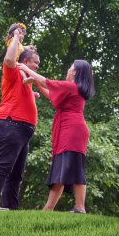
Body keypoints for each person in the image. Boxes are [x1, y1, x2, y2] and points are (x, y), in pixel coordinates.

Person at [18, 60, 95, 214]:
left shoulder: (71, 86)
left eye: (70, 67)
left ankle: (80, 207)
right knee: (59, 170)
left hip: (72, 131)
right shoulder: (72, 89)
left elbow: (47, 82)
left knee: (75, 168)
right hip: (68, 130)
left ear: (75, 72)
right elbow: (52, 96)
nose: (68, 69)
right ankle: (48, 209)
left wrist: (26, 68)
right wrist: (36, 82)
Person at [0, 27, 40, 211]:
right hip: (9, 125)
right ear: (24, 62)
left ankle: (11, 210)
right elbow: (9, 58)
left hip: (22, 131)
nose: (37, 66)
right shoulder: (13, 70)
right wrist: (16, 36)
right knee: (3, 167)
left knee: (16, 175)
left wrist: (33, 96)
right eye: (35, 63)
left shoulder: (26, 79)